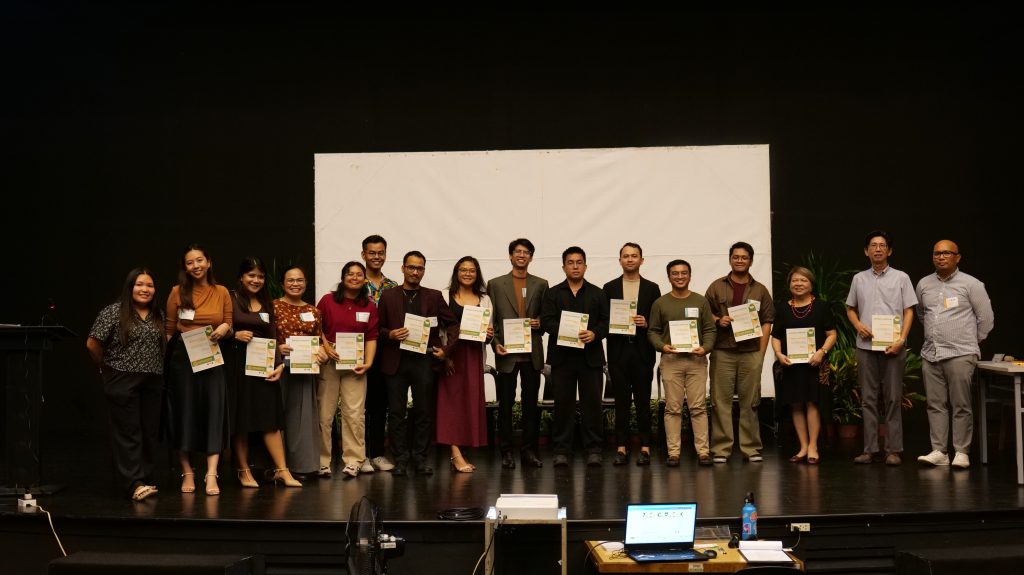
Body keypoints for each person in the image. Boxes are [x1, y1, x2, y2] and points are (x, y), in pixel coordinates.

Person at [376, 251, 458, 476]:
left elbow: (453, 324)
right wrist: (390, 334)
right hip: (396, 362)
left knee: (424, 412)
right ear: (403, 268)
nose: (415, 272)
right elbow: (376, 328)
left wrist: (446, 350)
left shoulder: (433, 296)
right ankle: (401, 459)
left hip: (424, 362)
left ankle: (420, 458)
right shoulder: (388, 296)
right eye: (411, 267)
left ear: (423, 271)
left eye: (419, 268)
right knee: (396, 413)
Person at [86, 268, 165, 501]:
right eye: (139, 284)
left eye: (149, 285)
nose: (145, 289)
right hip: (122, 379)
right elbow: (92, 344)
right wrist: (106, 367)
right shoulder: (113, 312)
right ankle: (133, 484)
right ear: (130, 287)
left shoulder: (158, 314)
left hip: (153, 380)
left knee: (149, 432)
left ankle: (145, 478)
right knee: (128, 432)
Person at [915, 240, 994, 469]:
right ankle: (939, 451)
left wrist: (972, 340)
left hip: (960, 353)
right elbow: (922, 314)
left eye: (946, 253)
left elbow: (986, 318)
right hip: (931, 353)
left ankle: (961, 451)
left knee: (961, 405)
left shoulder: (971, 284)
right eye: (937, 253)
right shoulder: (924, 284)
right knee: (935, 404)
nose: (941, 257)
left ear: (957, 257)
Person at [164, 244, 232, 495]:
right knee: (184, 413)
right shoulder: (177, 292)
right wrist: (170, 362)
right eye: (190, 262)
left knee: (214, 411)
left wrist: (225, 328)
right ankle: (188, 471)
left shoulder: (221, 291)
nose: (196, 266)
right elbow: (169, 330)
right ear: (185, 267)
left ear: (209, 262)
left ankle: (211, 473)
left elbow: (229, 323)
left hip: (211, 357)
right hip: (182, 360)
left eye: (200, 260)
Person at [228, 258, 300, 488]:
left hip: (264, 367)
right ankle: (243, 470)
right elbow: (220, 327)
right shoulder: (230, 299)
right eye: (251, 275)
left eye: (260, 276)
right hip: (238, 367)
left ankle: (282, 470)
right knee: (241, 419)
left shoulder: (267, 303)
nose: (256, 280)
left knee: (270, 419)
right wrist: (235, 334)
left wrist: (279, 364)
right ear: (241, 277)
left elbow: (272, 336)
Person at [846, 230, 917, 466]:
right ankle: (870, 449)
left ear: (890, 251)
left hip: (893, 347)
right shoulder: (859, 279)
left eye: (882, 245)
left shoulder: (901, 278)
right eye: (873, 245)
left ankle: (893, 450)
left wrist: (902, 340)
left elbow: (909, 310)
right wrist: (858, 325)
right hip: (866, 347)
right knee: (868, 399)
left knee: (893, 398)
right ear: (866, 251)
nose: (878, 249)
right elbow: (850, 309)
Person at [705, 241, 775, 463]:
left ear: (751, 261)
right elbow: (705, 315)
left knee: (751, 402)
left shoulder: (760, 290)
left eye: (744, 257)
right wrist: (718, 319)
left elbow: (767, 321)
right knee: (720, 402)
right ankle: (721, 449)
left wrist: (761, 354)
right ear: (730, 259)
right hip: (722, 351)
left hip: (750, 352)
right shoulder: (716, 286)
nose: (739, 260)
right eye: (736, 257)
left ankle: (750, 448)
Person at [541, 246, 610, 467]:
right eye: (570, 263)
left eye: (579, 262)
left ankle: (594, 449)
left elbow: (606, 322)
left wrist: (595, 333)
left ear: (585, 266)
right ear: (564, 267)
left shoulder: (598, 293)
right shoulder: (552, 293)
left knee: (592, 405)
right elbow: (546, 321)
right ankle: (562, 449)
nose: (575, 266)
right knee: (563, 405)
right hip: (562, 358)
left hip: (591, 357)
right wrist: (566, 330)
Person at [648, 259, 716, 467]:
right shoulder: (660, 303)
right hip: (671, 361)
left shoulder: (701, 301)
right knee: (673, 408)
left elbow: (710, 330)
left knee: (698, 407)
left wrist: (705, 348)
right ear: (669, 277)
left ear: (690, 275)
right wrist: (662, 346)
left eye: (684, 273)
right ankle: (674, 453)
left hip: (696, 360)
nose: (679, 277)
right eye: (675, 273)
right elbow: (653, 331)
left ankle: (703, 452)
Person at [487, 238, 548, 469]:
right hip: (507, 354)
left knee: (531, 405)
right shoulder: (495, 284)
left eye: (526, 252)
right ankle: (506, 451)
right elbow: (491, 321)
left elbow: (547, 317)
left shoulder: (541, 284)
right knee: (505, 405)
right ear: (510, 256)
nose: (522, 255)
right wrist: (495, 343)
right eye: (517, 251)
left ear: (531, 257)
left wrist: (540, 322)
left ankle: (529, 451)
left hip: (532, 354)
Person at [317, 262, 379, 478]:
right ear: (343, 277)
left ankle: (354, 460)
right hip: (329, 362)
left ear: (364, 279)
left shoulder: (369, 305)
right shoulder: (327, 300)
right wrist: (326, 347)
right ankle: (321, 461)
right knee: (324, 414)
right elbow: (316, 328)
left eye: (359, 274)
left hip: (356, 364)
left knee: (354, 414)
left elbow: (371, 337)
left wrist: (368, 363)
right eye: (350, 274)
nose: (354, 277)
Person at [770, 266, 837, 465]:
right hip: (791, 365)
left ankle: (813, 446)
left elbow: (832, 334)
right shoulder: (782, 308)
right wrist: (779, 354)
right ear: (789, 285)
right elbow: (775, 336)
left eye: (803, 280)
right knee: (796, 404)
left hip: (814, 364)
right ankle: (803, 446)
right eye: (795, 281)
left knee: (812, 403)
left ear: (811, 284)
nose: (798, 284)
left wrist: (821, 352)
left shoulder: (822, 307)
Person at [603, 243, 661, 466]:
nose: (629, 259)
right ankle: (621, 447)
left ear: (641, 260)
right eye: (625, 256)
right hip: (618, 351)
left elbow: (657, 322)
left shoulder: (652, 288)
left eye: (634, 256)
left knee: (643, 402)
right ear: (620, 260)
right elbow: (603, 319)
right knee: (621, 403)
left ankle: (645, 447)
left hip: (642, 351)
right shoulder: (609, 287)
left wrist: (646, 323)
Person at [438, 256, 493, 472]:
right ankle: (455, 454)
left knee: (468, 404)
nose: (467, 273)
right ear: (456, 272)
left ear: (477, 274)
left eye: (472, 270)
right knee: (451, 405)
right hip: (452, 355)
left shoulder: (485, 299)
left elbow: (488, 333)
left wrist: (489, 335)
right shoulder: (445, 295)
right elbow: (439, 329)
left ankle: (460, 450)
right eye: (463, 270)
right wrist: (445, 355)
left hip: (473, 355)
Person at [273, 265, 327, 480]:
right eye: (291, 280)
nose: (295, 284)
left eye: (300, 280)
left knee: (302, 418)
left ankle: (301, 466)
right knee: (278, 416)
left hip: (305, 371)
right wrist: (277, 348)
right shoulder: (273, 307)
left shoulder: (314, 311)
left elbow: (319, 339)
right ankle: (278, 466)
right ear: (282, 284)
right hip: (280, 369)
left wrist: (322, 351)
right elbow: (265, 337)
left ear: (306, 283)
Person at [361, 235, 399, 473]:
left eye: (380, 252)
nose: (377, 257)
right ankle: (358, 455)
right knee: (357, 406)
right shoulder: (354, 282)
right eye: (372, 253)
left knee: (379, 405)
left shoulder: (393, 287)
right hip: (358, 352)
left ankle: (376, 454)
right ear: (363, 255)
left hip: (385, 353)